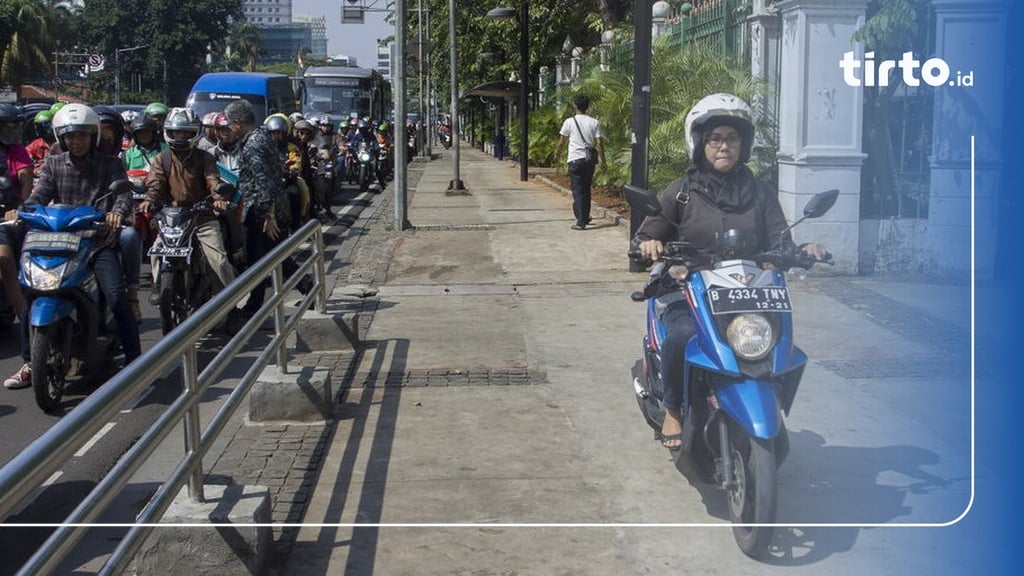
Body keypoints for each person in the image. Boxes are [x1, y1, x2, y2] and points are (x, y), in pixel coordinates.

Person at [631, 93, 829, 449]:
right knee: (682, 335)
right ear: (699, 144)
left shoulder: (759, 192)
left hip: (745, 289)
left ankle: (769, 399)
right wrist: (648, 242)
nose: (724, 146)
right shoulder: (682, 192)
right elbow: (652, 227)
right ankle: (674, 407)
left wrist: (801, 251)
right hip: (688, 286)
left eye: (732, 138)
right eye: (715, 139)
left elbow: (780, 238)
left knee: (777, 337)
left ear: (744, 144)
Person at [3, 103, 141, 389]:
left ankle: (134, 361)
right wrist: (23, 210)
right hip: (58, 239)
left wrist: (116, 213)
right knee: (31, 293)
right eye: (70, 136)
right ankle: (29, 362)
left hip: (96, 240)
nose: (76, 141)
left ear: (92, 136)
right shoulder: (54, 164)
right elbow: (39, 195)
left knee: (115, 294)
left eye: (82, 135)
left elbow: (123, 195)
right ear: (61, 138)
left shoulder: (110, 164)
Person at [222, 100, 310, 318]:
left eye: (230, 125)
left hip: (261, 210)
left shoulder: (252, 145)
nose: (229, 130)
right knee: (269, 257)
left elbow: (264, 181)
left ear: (237, 123)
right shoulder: (263, 135)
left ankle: (305, 290)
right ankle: (259, 300)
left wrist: (268, 215)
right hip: (271, 206)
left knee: (265, 257)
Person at [138, 107, 236, 298]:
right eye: (176, 132)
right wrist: (150, 199)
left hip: (202, 216)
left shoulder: (205, 157)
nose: (181, 136)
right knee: (157, 251)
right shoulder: (162, 158)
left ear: (194, 133)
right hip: (172, 219)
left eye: (185, 132)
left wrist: (218, 199)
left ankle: (232, 305)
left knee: (218, 260)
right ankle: (159, 285)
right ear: (168, 132)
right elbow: (155, 183)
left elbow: (212, 179)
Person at [553, 94, 605, 231]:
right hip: (589, 160)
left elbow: (561, 142)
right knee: (586, 189)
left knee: (578, 190)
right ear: (587, 107)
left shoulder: (569, 122)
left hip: (575, 159)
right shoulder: (594, 122)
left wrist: (556, 155)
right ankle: (585, 216)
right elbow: (599, 143)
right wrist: (603, 161)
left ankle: (580, 221)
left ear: (575, 106)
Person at [25, 111, 55, 176]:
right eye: (39, 126)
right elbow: (25, 160)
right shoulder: (35, 144)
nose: (42, 129)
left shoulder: (60, 144)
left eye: (45, 126)